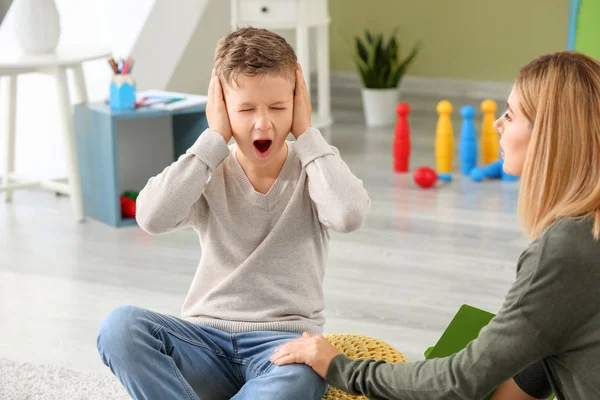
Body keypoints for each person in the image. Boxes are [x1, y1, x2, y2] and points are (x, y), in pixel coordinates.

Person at [271, 51, 600, 400]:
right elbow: (559, 326)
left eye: (510, 114)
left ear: (549, 136)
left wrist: (339, 366)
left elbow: (458, 381)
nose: (497, 124)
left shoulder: (565, 250)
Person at [96, 27, 370, 400]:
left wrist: (307, 134)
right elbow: (150, 216)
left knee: (305, 377)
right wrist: (212, 139)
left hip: (283, 349)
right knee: (120, 327)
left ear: (296, 102)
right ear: (222, 106)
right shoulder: (207, 169)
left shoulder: (314, 168)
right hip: (203, 342)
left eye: (278, 107)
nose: (263, 123)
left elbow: (349, 214)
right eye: (245, 109)